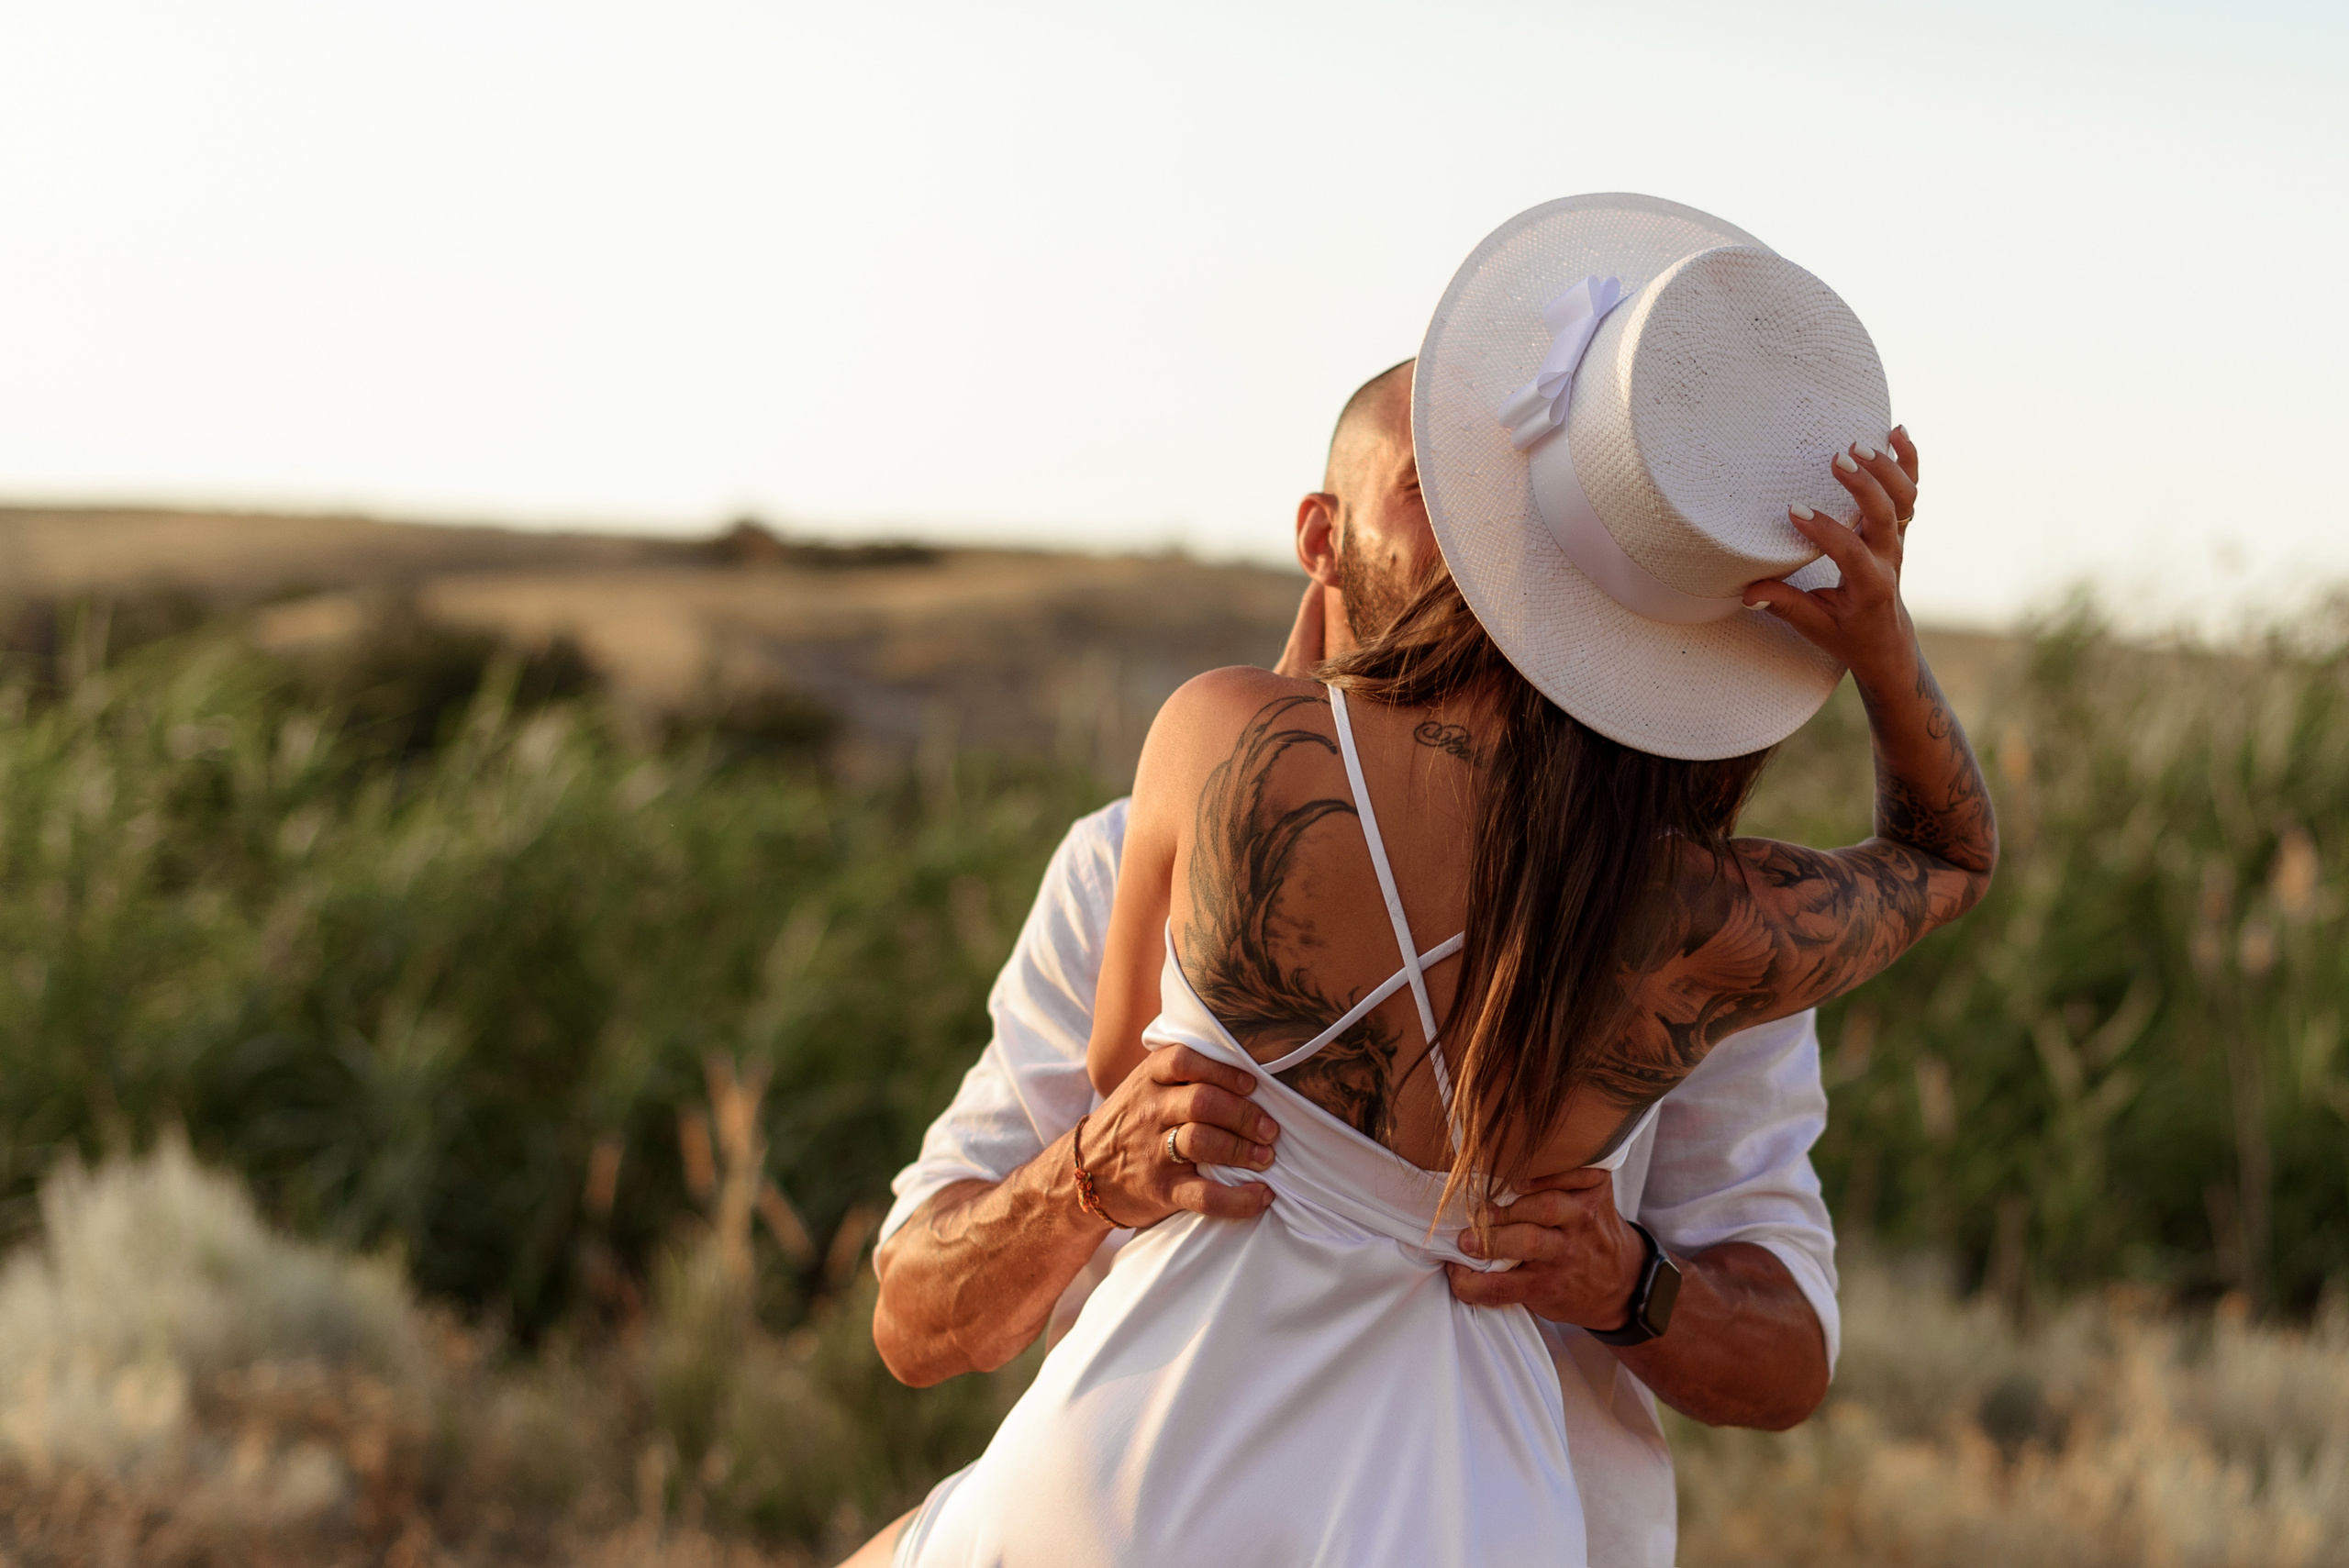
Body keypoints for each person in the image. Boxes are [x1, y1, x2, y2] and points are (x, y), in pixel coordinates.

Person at [859, 194, 1996, 1567]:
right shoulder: (1705, 924)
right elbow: (1947, 858)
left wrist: (1629, 1284)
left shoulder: (1211, 741)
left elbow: (1124, 1064)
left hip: (1150, 1447)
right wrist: (1877, 641)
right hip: (1471, 1503)